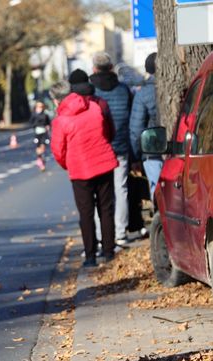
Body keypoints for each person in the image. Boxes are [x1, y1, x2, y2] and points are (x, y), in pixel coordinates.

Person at [49, 80, 118, 266]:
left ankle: (90, 255)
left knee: (86, 213)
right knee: (106, 209)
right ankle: (109, 250)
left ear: (56, 100)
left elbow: (58, 150)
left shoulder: (60, 121)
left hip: (80, 170)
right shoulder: (94, 107)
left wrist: (67, 164)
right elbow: (108, 131)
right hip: (104, 163)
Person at [90, 52, 133, 246]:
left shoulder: (91, 92)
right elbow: (130, 118)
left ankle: (101, 234)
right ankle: (120, 231)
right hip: (121, 144)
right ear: (111, 67)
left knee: (100, 194)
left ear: (94, 68)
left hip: (99, 147)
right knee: (121, 188)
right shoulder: (123, 90)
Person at [130, 52, 162, 197]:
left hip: (153, 151)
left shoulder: (143, 94)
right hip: (180, 149)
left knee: (157, 193)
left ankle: (160, 218)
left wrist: (135, 156)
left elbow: (136, 129)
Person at [29, 101, 50, 171]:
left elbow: (48, 123)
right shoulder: (34, 115)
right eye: (38, 107)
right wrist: (35, 126)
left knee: (43, 146)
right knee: (38, 146)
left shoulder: (45, 115)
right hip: (37, 133)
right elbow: (31, 123)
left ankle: (42, 157)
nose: (39, 108)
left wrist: (47, 126)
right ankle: (39, 158)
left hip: (44, 133)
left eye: (41, 107)